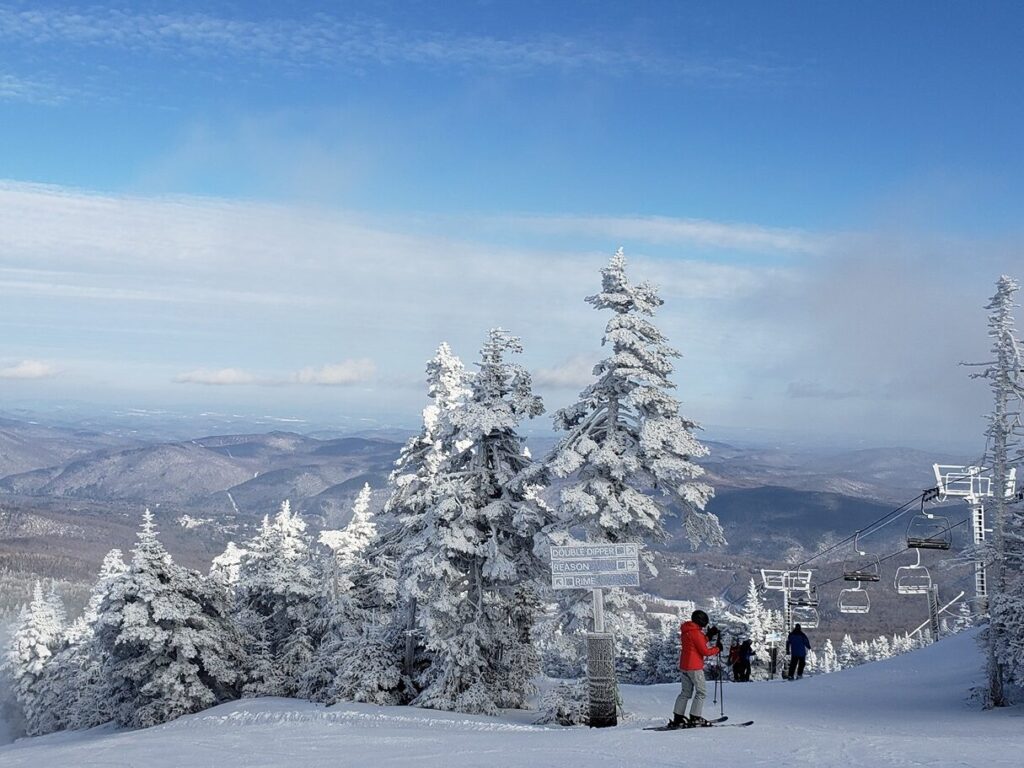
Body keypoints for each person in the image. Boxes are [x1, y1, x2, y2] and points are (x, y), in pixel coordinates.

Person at [667, 609, 722, 728]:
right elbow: (705, 651)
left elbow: (697, 642)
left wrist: (708, 636)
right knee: (701, 692)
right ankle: (695, 717)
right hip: (694, 667)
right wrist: (717, 649)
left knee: (685, 692)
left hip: (684, 666)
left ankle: (678, 717)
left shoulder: (687, 630)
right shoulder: (696, 633)